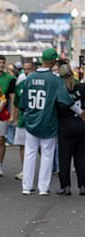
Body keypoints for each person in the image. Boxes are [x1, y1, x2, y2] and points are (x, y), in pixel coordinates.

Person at [19, 48, 84, 196]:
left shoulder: (29, 77)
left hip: (31, 121)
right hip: (48, 121)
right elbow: (65, 100)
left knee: (30, 153)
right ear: (53, 60)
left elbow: (22, 103)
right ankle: (43, 187)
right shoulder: (55, 79)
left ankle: (26, 186)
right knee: (47, 154)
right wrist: (80, 112)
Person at [57, 61, 85, 195]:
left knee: (64, 158)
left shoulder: (60, 89)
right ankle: (83, 185)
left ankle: (65, 186)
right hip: (81, 125)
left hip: (65, 126)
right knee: (81, 158)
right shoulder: (81, 87)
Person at [11, 60, 36, 181]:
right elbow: (16, 103)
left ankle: (51, 167)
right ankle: (25, 169)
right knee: (22, 145)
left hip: (36, 120)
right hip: (22, 120)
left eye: (29, 69)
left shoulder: (38, 84)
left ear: (34, 69)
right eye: (25, 69)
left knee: (40, 147)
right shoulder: (21, 85)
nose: (26, 72)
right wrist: (14, 118)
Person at [0, 54, 16, 177]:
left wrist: (12, 115)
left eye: (3, 63)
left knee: (1, 139)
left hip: (2, 112)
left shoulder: (10, 78)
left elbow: (12, 98)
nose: (1, 65)